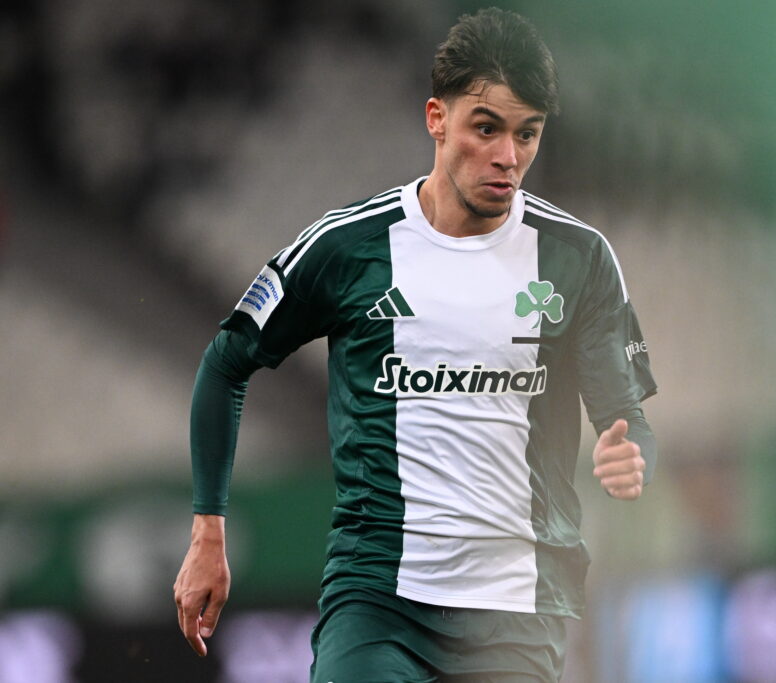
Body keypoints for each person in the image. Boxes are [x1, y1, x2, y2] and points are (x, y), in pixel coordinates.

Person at [174, 7, 656, 682]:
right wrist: (208, 531)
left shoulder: (579, 258)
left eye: (527, 133)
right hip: (378, 599)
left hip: (516, 611)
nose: (508, 156)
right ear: (437, 118)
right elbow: (226, 364)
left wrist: (631, 454)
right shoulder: (349, 247)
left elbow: (628, 422)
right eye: (486, 128)